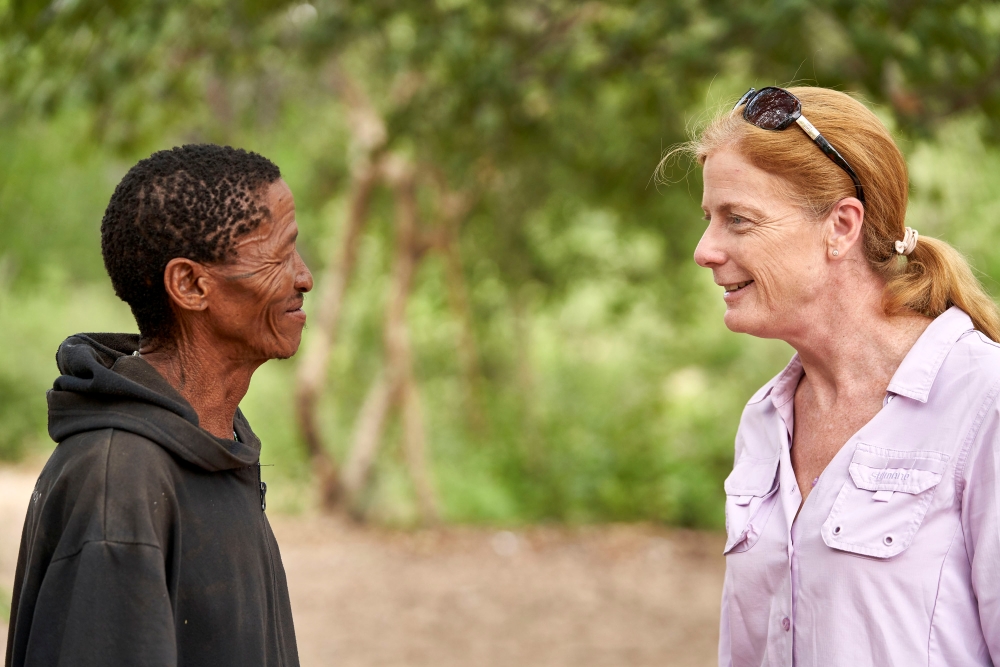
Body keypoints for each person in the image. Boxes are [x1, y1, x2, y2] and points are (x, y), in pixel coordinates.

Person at [688, 86, 1000, 666]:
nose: (705, 249)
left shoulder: (983, 399)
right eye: (710, 219)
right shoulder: (766, 419)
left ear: (841, 226)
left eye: (739, 220)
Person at [5, 144, 312, 667]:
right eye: (278, 256)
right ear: (191, 284)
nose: (303, 276)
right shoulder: (117, 483)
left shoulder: (212, 445)